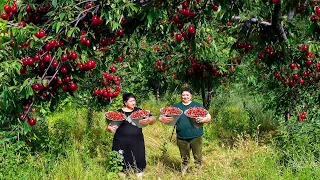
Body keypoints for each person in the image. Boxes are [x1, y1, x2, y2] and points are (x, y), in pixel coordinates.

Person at [159, 87, 211, 174]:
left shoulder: (197, 105)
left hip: (196, 136)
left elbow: (208, 116)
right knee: (184, 157)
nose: (185, 97)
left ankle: (198, 173)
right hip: (181, 137)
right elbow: (162, 116)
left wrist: (204, 120)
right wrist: (162, 119)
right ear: (181, 96)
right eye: (183, 95)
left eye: (187, 95)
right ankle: (184, 173)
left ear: (191, 96)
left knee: (197, 156)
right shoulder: (176, 106)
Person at [107, 93, 156, 178]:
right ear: (125, 102)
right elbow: (109, 127)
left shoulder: (139, 111)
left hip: (137, 141)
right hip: (121, 142)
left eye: (134, 100)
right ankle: (122, 175)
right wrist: (109, 128)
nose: (134, 103)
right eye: (131, 101)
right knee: (121, 160)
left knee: (138, 159)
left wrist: (149, 120)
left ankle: (139, 175)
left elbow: (153, 119)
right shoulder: (119, 112)